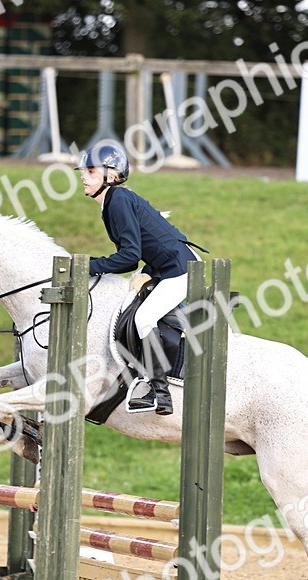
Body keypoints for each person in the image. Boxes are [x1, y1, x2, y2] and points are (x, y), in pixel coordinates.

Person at [77, 142, 201, 416]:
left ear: (110, 174)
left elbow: (129, 255)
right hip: (162, 266)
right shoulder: (113, 201)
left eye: (90, 171)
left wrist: (89, 266)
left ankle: (159, 392)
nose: (83, 176)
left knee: (144, 318)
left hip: (180, 269)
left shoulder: (117, 200)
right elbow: (134, 255)